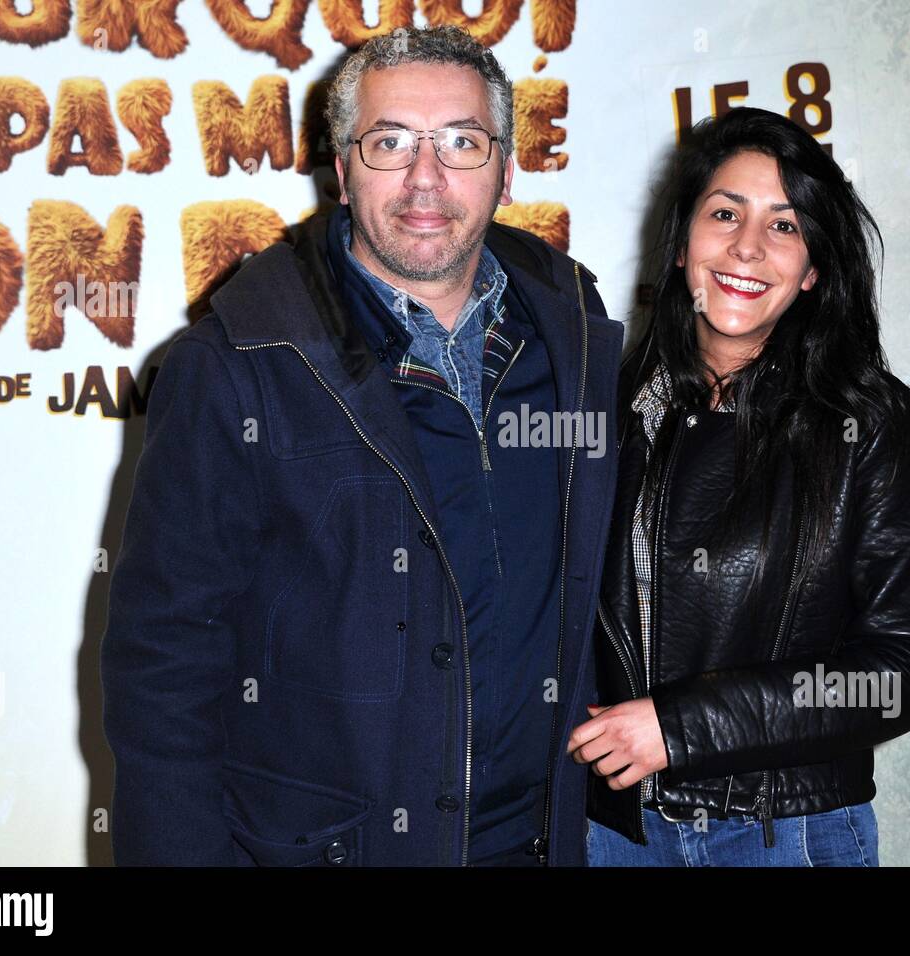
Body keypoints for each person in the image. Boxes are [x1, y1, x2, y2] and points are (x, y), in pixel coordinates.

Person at [100, 24, 622, 866]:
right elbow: (163, 664)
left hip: (539, 845)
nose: (426, 177)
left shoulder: (574, 333)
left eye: (461, 142)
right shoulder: (238, 361)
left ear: (506, 169)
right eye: (390, 143)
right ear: (342, 172)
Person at [567, 107, 910, 866]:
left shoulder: (866, 419)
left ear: (812, 270)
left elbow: (901, 671)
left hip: (785, 835)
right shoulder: (604, 411)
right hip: (618, 836)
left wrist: (681, 727)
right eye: (725, 213)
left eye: (784, 226)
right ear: (680, 244)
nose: (747, 246)